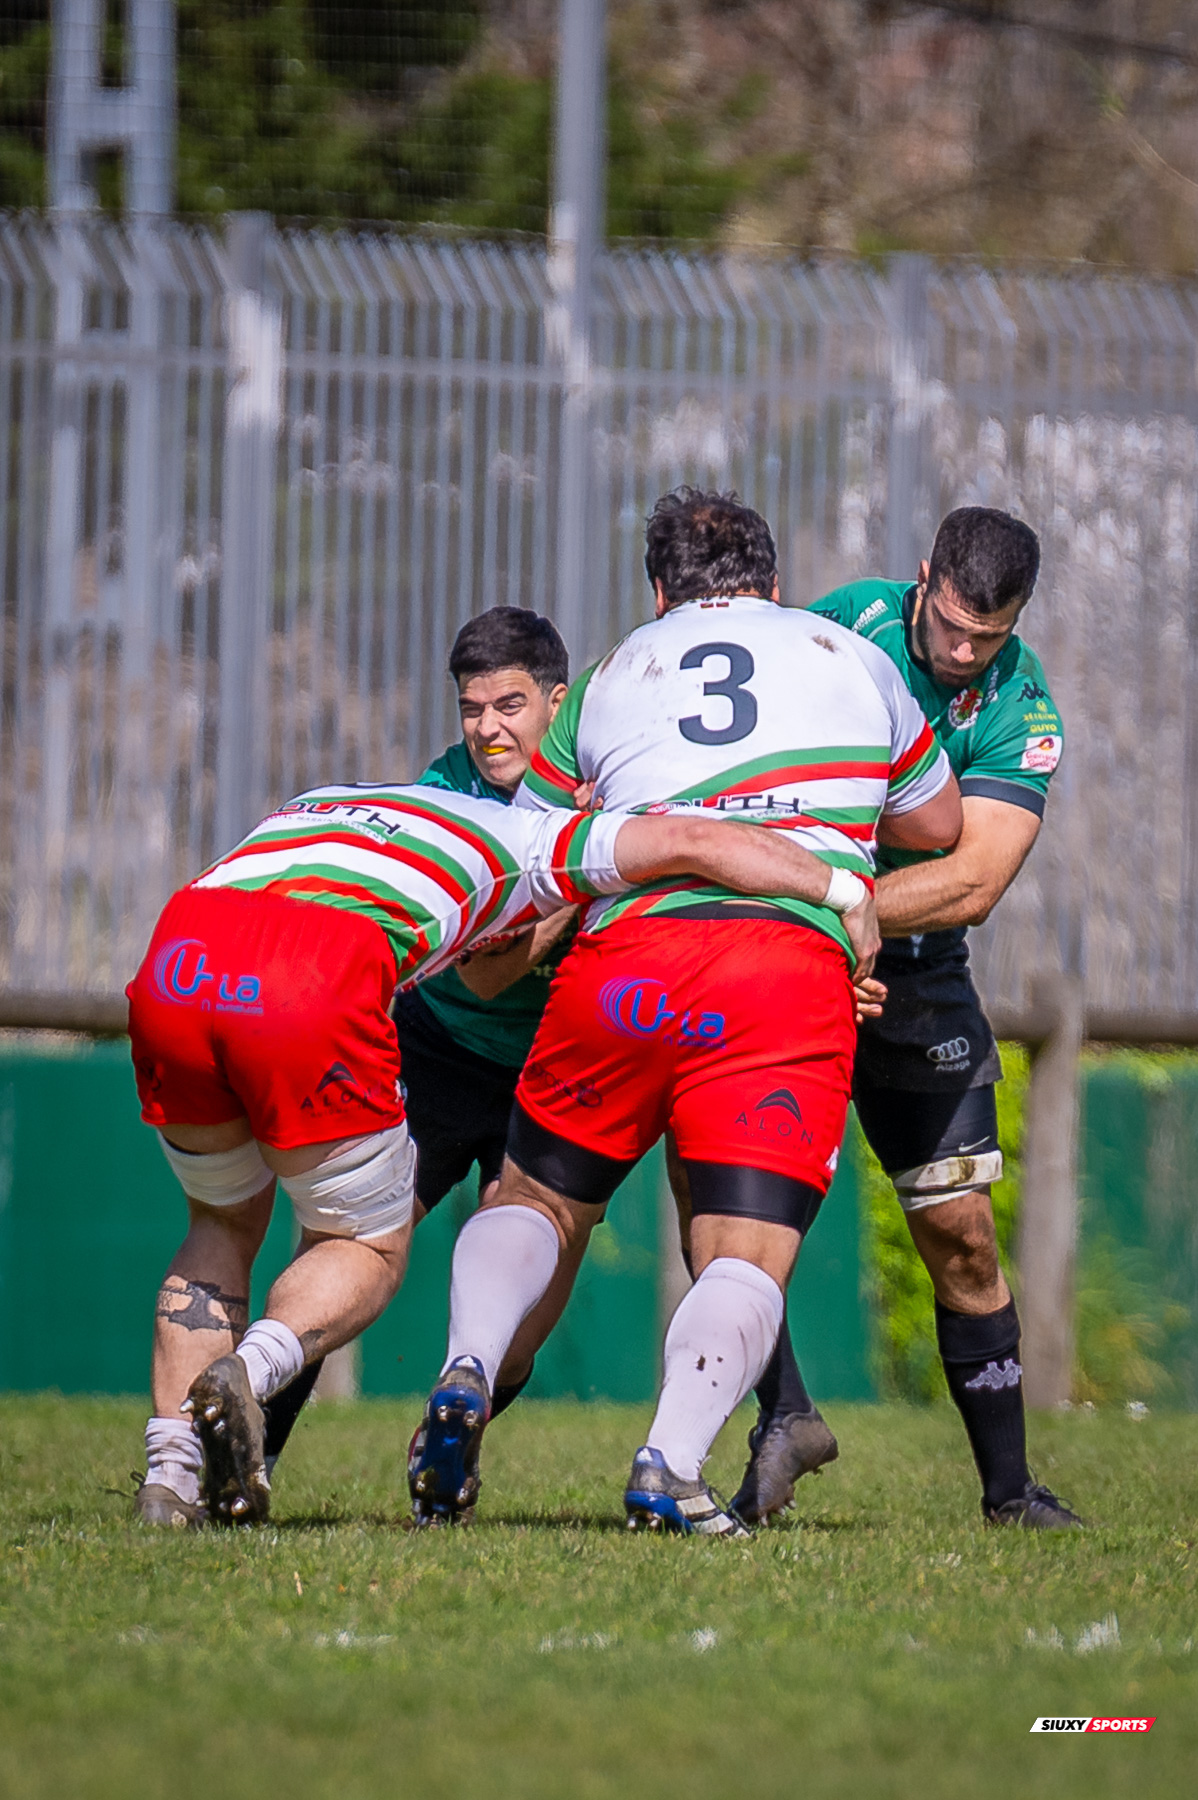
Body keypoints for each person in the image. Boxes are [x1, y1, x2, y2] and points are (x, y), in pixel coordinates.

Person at [408, 487, 960, 1533]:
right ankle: (667, 1463)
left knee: (531, 1197)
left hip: (629, 959)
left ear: (660, 592)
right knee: (742, 1251)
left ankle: (467, 1370)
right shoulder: (858, 661)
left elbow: (534, 846)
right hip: (785, 971)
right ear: (777, 582)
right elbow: (935, 819)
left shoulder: (617, 671)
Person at [128, 774, 864, 1527]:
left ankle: (171, 1476)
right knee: (365, 1246)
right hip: (309, 967)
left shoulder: (333, 794)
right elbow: (696, 841)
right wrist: (843, 892)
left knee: (219, 1225)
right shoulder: (535, 838)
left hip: (182, 946)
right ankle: (249, 1372)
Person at [733, 505, 1082, 1531]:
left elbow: (973, 880)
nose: (964, 651)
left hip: (913, 980)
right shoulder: (845, 630)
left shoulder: (1023, 705)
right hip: (798, 960)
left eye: (989, 633)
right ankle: (781, 1419)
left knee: (962, 1236)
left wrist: (854, 916)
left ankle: (1009, 1494)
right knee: (745, 1223)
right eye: (951, 626)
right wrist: (820, 927)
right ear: (921, 580)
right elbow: (766, 790)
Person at [255, 608, 580, 1466]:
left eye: (509, 704)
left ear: (559, 699)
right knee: (341, 1250)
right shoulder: (447, 792)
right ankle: (251, 1444)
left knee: (525, 1306)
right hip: (435, 1053)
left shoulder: (606, 781)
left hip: (548, 1069)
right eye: (472, 709)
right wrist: (584, 889)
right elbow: (481, 972)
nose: (488, 729)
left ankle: (442, 1439)